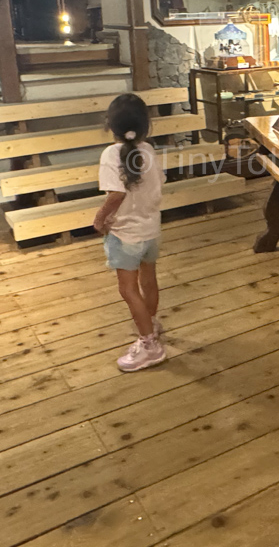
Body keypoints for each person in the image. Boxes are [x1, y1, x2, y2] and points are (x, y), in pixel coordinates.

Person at [93, 94, 167, 372]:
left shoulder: (111, 154)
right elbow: (158, 182)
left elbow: (116, 193)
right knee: (149, 280)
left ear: (110, 125)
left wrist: (100, 218)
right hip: (151, 230)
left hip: (125, 235)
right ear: (146, 125)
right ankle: (151, 322)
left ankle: (149, 345)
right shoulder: (148, 150)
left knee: (127, 289)